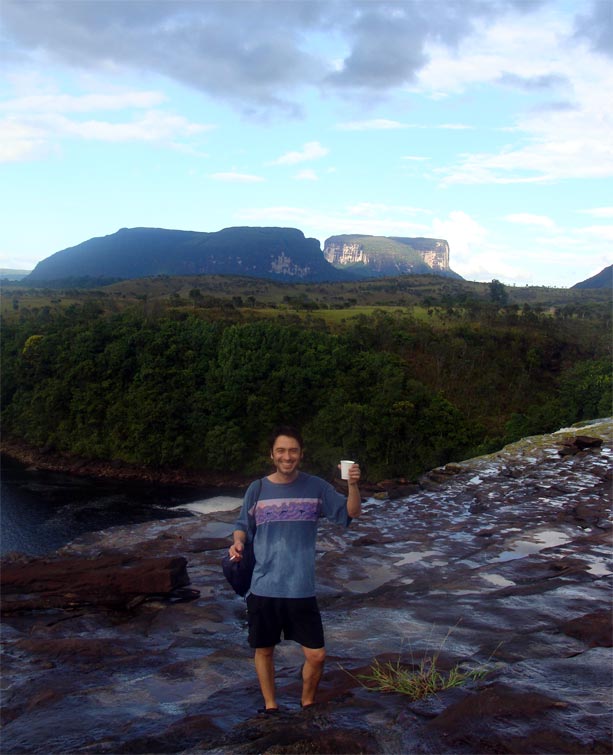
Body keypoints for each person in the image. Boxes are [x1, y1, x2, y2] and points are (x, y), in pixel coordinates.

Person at [228, 425, 361, 712]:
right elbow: (241, 528)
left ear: (301, 454)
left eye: (293, 451)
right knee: (264, 650)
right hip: (264, 586)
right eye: (281, 451)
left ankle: (307, 703)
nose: (287, 456)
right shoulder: (257, 489)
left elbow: (350, 513)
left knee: (317, 655)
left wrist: (352, 484)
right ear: (272, 455)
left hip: (301, 588)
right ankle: (271, 707)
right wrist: (237, 544)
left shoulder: (317, 487)